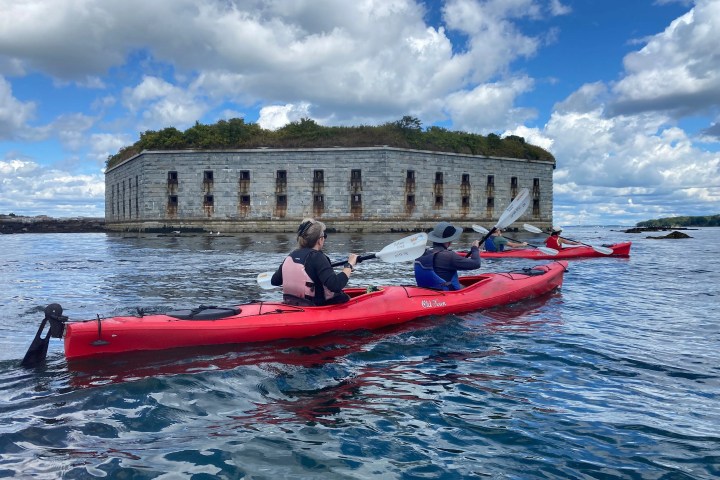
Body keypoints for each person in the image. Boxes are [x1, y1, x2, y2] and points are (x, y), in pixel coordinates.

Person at [271, 218, 358, 306]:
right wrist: (349, 265)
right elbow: (335, 285)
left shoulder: (291, 255)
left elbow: (274, 281)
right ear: (320, 240)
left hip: (294, 303)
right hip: (316, 306)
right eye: (324, 236)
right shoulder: (318, 257)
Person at [414, 222, 480, 290]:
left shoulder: (422, 253)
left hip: (427, 290)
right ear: (450, 240)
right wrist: (475, 248)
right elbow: (476, 263)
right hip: (445, 293)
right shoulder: (449, 256)